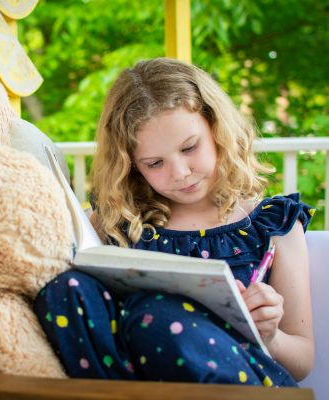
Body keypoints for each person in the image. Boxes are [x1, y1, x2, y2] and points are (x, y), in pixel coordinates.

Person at [34, 57, 315, 386]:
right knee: (64, 290)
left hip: (247, 385)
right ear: (133, 166)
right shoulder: (117, 221)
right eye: (155, 163)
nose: (180, 174)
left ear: (216, 129)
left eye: (190, 147)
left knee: (159, 315)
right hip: (138, 383)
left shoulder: (271, 225)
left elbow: (302, 361)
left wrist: (271, 336)